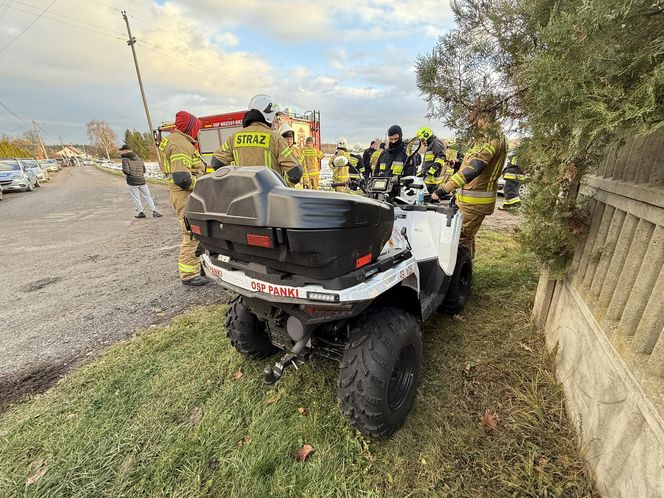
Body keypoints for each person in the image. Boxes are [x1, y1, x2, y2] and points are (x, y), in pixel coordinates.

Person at [431, 108, 508, 258]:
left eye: (476, 118)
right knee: (466, 237)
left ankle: (461, 275)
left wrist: (443, 190)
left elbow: (474, 169)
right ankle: (467, 270)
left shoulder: (492, 139)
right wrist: (459, 164)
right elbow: (477, 165)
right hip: (469, 200)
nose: (474, 123)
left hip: (475, 201)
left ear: (483, 117)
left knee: (460, 239)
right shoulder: (491, 137)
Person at [159, 110, 208, 286]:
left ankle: (198, 267)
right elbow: (183, 179)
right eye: (198, 128)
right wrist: (205, 183)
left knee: (198, 232)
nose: (200, 132)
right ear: (190, 128)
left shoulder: (177, 141)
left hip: (186, 196)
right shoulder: (180, 144)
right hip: (186, 197)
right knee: (192, 234)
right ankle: (189, 275)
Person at [211, 95, 302, 187]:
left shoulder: (234, 137)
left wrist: (234, 180)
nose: (276, 120)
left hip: (243, 194)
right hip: (268, 197)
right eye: (275, 116)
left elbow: (216, 162)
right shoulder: (275, 139)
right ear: (268, 115)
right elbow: (295, 173)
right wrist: (281, 186)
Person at [119, 144, 161, 219]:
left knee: (136, 197)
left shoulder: (124, 159)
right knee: (148, 196)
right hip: (142, 180)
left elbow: (126, 171)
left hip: (132, 182)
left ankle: (140, 212)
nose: (121, 152)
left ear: (125, 151)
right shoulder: (139, 158)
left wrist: (126, 172)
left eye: (122, 150)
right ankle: (154, 211)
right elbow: (144, 170)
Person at [415, 127, 448, 193]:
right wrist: (421, 173)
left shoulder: (436, 142)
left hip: (435, 180)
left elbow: (441, 158)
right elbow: (428, 163)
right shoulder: (430, 145)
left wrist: (432, 171)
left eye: (422, 140)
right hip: (429, 179)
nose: (422, 142)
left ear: (426, 135)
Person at [279, 123, 308, 188]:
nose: (289, 141)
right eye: (286, 139)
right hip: (284, 185)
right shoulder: (278, 151)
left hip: (298, 186)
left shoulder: (297, 151)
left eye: (290, 138)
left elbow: (303, 167)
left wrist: (306, 181)